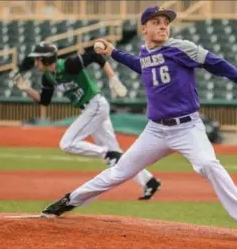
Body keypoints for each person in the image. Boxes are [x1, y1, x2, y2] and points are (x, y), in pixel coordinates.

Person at [40, 7, 237, 241]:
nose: (163, 25)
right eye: (156, 22)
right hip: (156, 130)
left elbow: (219, 64)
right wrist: (113, 52)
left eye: (166, 22)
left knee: (208, 164)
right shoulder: (145, 52)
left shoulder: (181, 48)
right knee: (119, 172)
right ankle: (69, 200)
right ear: (144, 28)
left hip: (187, 127)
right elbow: (141, 65)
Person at [13, 42, 161, 200]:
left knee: (67, 143)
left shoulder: (69, 64)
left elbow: (96, 56)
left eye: (38, 59)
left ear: (47, 59)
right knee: (116, 156)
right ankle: (149, 182)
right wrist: (27, 89)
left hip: (95, 105)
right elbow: (44, 100)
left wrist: (113, 77)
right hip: (91, 109)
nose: (35, 63)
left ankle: (106, 152)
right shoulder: (47, 77)